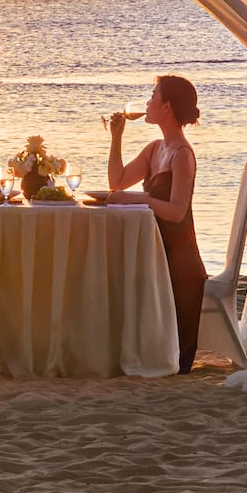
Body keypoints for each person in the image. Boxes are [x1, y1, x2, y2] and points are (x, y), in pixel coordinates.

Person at [95, 74, 208, 373]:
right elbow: (116, 182)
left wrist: (139, 199)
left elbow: (176, 212)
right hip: (155, 252)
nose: (147, 102)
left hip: (178, 261)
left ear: (167, 106)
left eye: (153, 95)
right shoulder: (155, 148)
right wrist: (116, 137)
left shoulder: (182, 155)